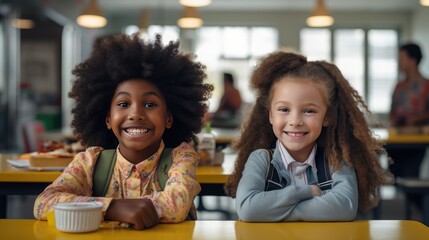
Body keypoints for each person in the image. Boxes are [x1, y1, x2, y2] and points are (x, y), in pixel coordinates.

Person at [33, 34, 214, 229]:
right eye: (123, 104)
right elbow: (43, 203)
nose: (136, 113)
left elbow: (177, 205)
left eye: (150, 104)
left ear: (169, 118)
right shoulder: (90, 162)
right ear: (108, 119)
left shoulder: (182, 158)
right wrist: (112, 207)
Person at [224, 51, 392, 222]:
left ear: (327, 117)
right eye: (284, 109)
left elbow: (344, 207)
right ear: (270, 116)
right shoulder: (260, 159)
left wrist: (272, 211)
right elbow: (248, 210)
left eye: (309, 111)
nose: (295, 121)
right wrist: (308, 192)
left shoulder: (336, 160)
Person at [389, 42, 429, 178]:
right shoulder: (399, 86)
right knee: (393, 175)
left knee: (411, 175)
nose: (399, 61)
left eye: (402, 58)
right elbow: (392, 112)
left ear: (413, 60)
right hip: (395, 141)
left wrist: (416, 119)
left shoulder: (426, 86)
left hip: (416, 142)